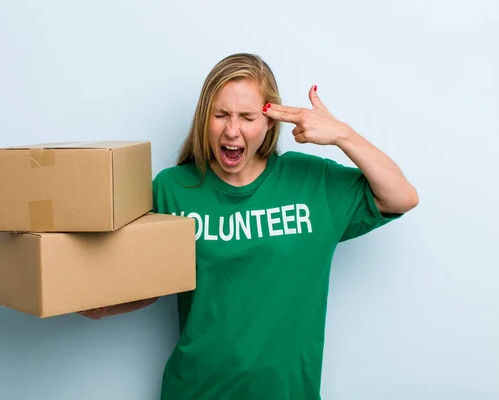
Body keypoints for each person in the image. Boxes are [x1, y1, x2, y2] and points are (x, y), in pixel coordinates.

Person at [79, 53, 418, 399]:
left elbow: (401, 197)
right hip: (195, 390)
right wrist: (101, 304)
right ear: (204, 119)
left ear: (269, 122)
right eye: (220, 114)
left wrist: (342, 135)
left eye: (246, 117)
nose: (232, 130)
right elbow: (148, 283)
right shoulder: (172, 189)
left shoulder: (313, 184)